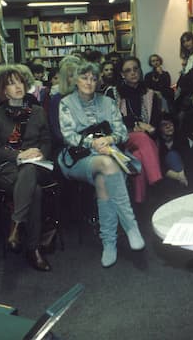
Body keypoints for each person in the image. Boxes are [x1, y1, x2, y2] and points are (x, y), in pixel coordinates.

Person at [57, 61, 145, 267]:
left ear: (98, 81)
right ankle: (131, 226)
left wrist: (109, 140)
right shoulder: (66, 103)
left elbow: (122, 132)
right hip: (77, 159)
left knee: (104, 181)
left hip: (108, 155)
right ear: (76, 80)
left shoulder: (107, 101)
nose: (89, 82)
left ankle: (109, 243)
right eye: (84, 77)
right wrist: (94, 143)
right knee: (107, 164)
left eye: (93, 78)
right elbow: (69, 136)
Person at [0, 66, 54, 271]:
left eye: (20, 82)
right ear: (3, 90)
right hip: (7, 168)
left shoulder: (38, 111)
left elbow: (47, 141)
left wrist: (40, 153)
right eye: (11, 83)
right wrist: (18, 155)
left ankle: (15, 225)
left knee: (31, 170)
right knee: (35, 191)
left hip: (37, 164)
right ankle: (33, 249)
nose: (17, 87)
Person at [104, 57, 164, 204]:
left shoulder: (151, 94)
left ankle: (139, 202)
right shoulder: (112, 93)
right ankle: (158, 183)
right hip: (120, 141)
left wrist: (146, 128)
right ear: (122, 74)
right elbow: (110, 122)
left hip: (145, 143)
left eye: (135, 69)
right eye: (128, 70)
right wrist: (137, 123)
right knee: (143, 138)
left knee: (139, 156)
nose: (133, 73)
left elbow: (154, 127)